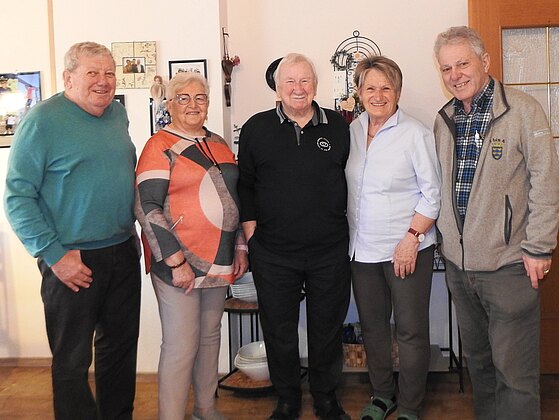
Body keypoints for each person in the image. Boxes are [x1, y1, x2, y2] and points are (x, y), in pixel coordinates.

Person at [4, 42, 141, 420]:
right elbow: (17, 197)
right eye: (92, 73)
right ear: (68, 78)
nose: (103, 81)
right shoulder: (42, 121)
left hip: (122, 250)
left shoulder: (117, 114)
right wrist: (54, 255)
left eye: (109, 73)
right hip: (71, 258)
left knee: (120, 351)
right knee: (72, 360)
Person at [433, 26, 559, 420]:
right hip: (460, 268)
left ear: (485, 61)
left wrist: (539, 247)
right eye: (446, 68)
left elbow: (547, 181)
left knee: (515, 374)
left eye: (462, 64)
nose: (454, 74)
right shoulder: (444, 119)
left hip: (510, 265)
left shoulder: (522, 110)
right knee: (480, 366)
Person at [238, 53, 351, 420]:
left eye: (305, 81)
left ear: (315, 86)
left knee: (327, 330)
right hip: (273, 252)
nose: (298, 88)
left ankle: (326, 399)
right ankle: (287, 399)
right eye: (290, 81)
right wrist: (251, 232)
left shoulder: (338, 126)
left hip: (328, 250)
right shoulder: (256, 128)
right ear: (278, 88)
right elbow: (246, 184)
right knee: (279, 330)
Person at [135, 71, 249, 420]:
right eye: (183, 98)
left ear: (208, 103)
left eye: (200, 97)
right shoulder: (159, 145)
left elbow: (233, 198)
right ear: (169, 105)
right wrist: (175, 261)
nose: (192, 104)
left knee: (210, 337)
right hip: (180, 263)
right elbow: (146, 206)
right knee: (181, 344)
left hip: (218, 258)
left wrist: (240, 246)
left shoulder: (218, 142)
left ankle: (205, 409)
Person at [346, 56, 441, 420]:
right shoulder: (352, 131)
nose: (378, 95)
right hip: (362, 250)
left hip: (407, 248)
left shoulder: (415, 133)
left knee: (410, 331)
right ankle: (382, 396)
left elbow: (432, 193)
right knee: (373, 329)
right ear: (359, 92)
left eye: (386, 88)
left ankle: (411, 406)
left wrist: (412, 237)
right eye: (370, 87)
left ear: (398, 92)